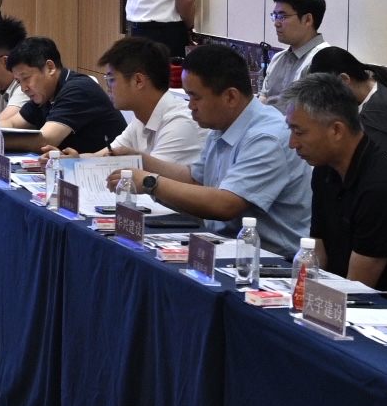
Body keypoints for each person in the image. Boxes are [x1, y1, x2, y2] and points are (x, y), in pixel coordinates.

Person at [107, 43, 311, 255]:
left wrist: (151, 182)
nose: (190, 106)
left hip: (272, 259)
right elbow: (195, 178)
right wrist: (142, 160)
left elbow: (226, 205)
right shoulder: (223, 123)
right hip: (228, 246)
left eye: (196, 97)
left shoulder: (267, 137)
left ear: (230, 97)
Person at [285, 72, 387, 293]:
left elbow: (356, 289)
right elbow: (317, 256)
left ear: (336, 130)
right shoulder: (325, 170)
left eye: (299, 132)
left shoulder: (382, 186)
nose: (292, 143)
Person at [95, 36, 204, 171]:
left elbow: (150, 180)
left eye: (111, 79)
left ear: (138, 81)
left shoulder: (181, 124)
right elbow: (101, 159)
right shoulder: (141, 118)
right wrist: (74, 159)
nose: (108, 88)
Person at [9, 34, 126, 152]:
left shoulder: (78, 90)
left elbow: (45, 140)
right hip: (80, 161)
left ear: (50, 67)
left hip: (107, 162)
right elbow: (12, 124)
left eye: (26, 78)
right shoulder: (44, 94)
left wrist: (0, 141)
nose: (24, 88)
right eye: (19, 81)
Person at [307, 46, 387, 163]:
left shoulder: (378, 109)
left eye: (326, 92)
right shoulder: (384, 83)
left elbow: (370, 161)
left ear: (344, 80)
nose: (326, 99)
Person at [261, 0, 329, 105]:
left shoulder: (323, 61)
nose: (276, 23)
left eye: (282, 16)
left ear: (307, 19)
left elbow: (314, 113)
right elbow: (263, 99)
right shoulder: (277, 59)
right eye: (275, 16)